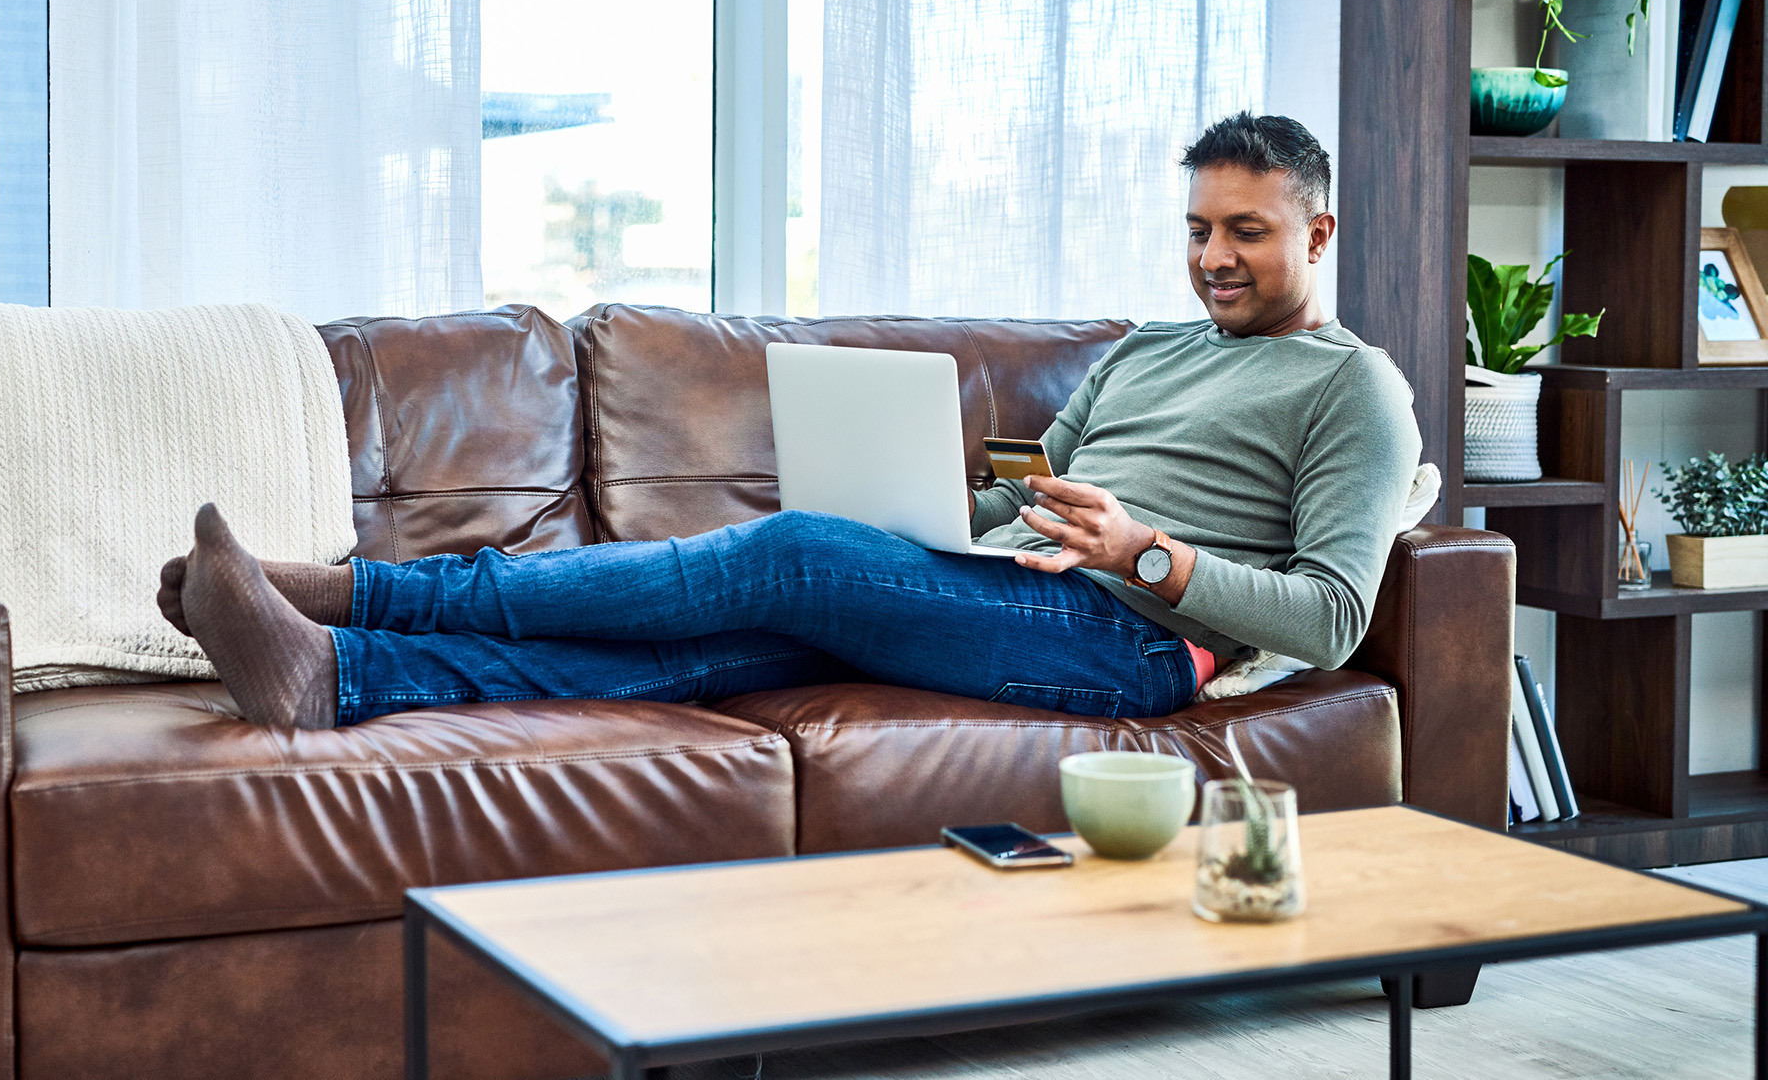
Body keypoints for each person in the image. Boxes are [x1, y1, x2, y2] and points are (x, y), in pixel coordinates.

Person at [158, 112, 1420, 730]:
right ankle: (341, 676)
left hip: (1132, 644)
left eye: (1244, 233)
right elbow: (1018, 496)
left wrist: (1140, 549)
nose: (1211, 257)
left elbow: (1330, 615)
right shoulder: (1143, 351)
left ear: (1314, 232)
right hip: (1018, 584)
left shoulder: (1350, 387)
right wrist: (937, 506)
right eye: (1197, 229)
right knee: (692, 661)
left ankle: (356, 592)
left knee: (786, 556)